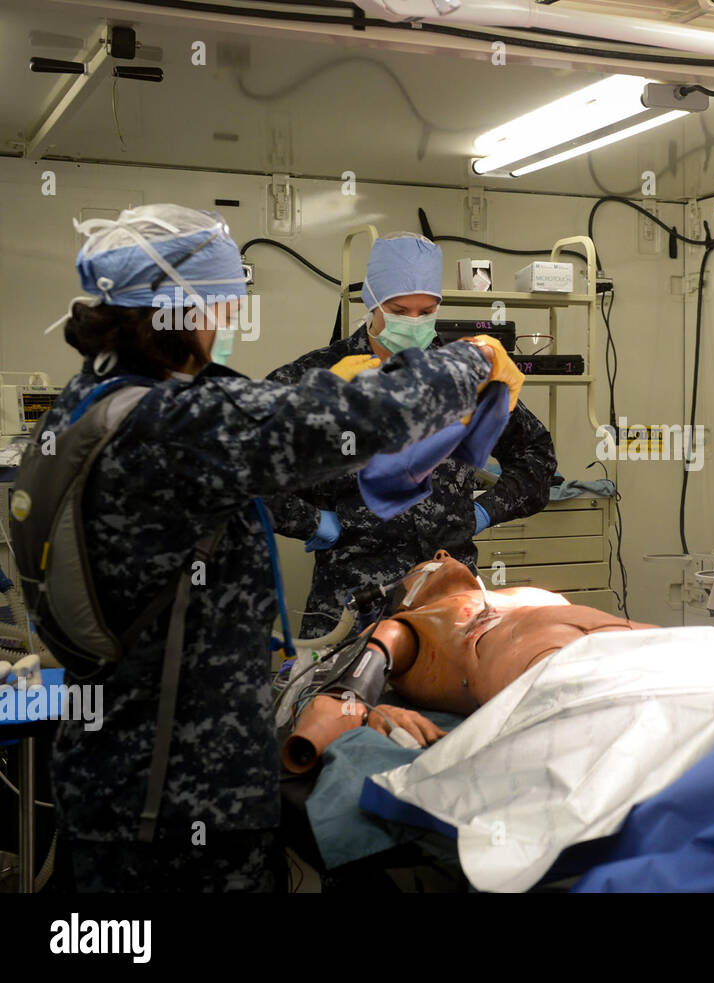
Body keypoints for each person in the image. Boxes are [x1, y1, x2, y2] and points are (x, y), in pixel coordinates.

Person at [31, 205, 521, 891]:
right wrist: (469, 359)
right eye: (222, 305)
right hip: (178, 799)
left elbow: (254, 406)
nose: (229, 324)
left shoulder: (89, 403)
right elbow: (349, 419)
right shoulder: (170, 426)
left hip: (113, 770)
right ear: (177, 314)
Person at [280, 550, 714, 771]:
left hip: (626, 641)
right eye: (421, 568)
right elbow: (355, 681)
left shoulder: (515, 593)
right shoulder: (414, 622)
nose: (435, 558)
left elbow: (654, 638)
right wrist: (366, 711)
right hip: (544, 665)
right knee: (655, 707)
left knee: (703, 659)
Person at [266, 233, 555, 637]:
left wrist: (485, 511)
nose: (414, 322)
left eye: (427, 310)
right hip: (351, 604)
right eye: (400, 310)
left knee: (451, 699)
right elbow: (246, 467)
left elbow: (537, 454)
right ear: (372, 302)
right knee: (339, 699)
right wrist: (311, 521)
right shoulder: (316, 377)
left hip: (449, 600)